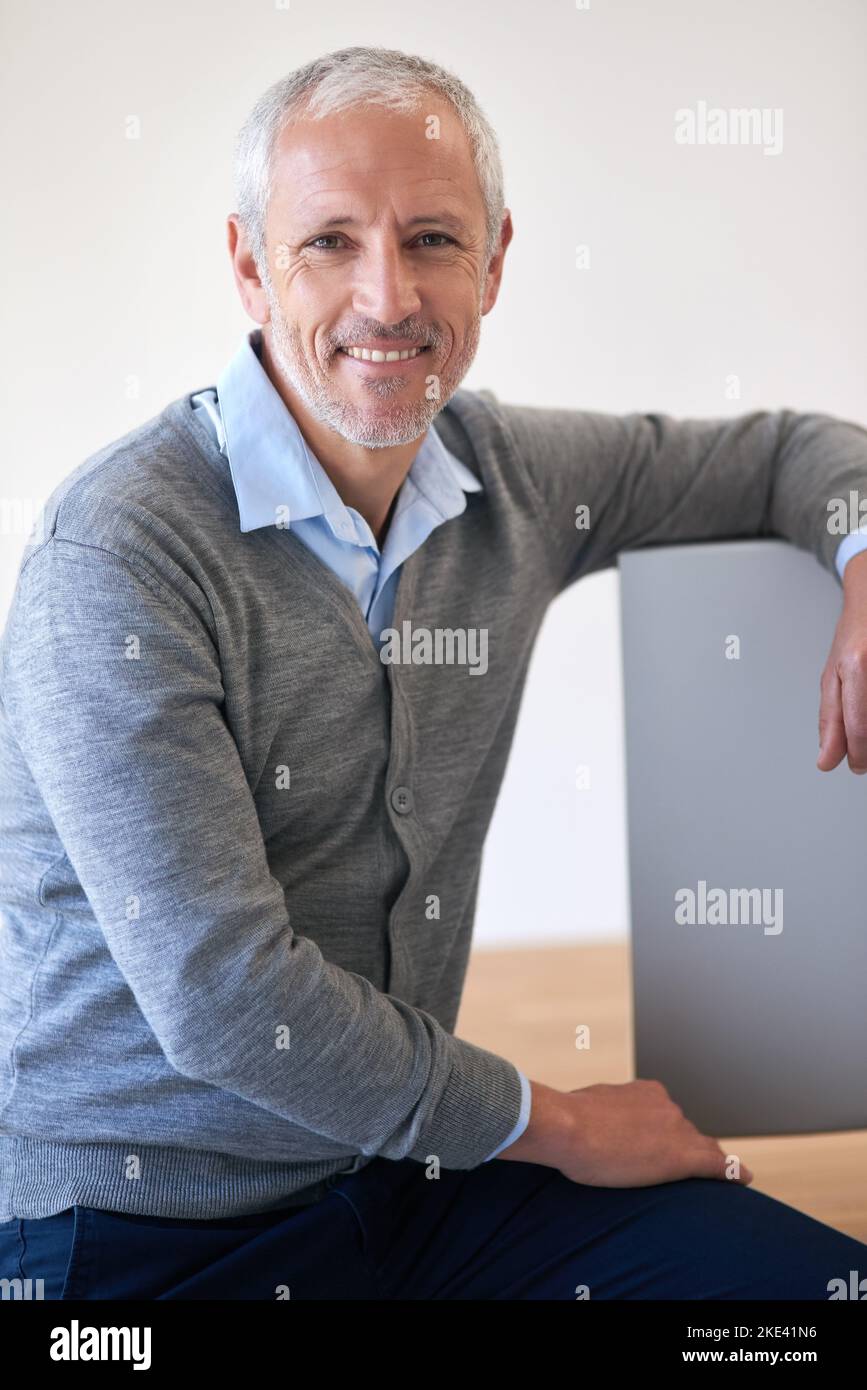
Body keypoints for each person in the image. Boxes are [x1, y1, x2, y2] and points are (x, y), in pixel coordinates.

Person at [1, 45, 866, 1301]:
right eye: (330, 243)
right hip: (132, 1242)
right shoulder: (121, 553)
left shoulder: (506, 477)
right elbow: (224, 999)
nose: (387, 297)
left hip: (405, 1182)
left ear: (498, 260)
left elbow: (789, 451)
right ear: (249, 264)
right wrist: (562, 1121)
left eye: (434, 241)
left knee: (809, 1311)